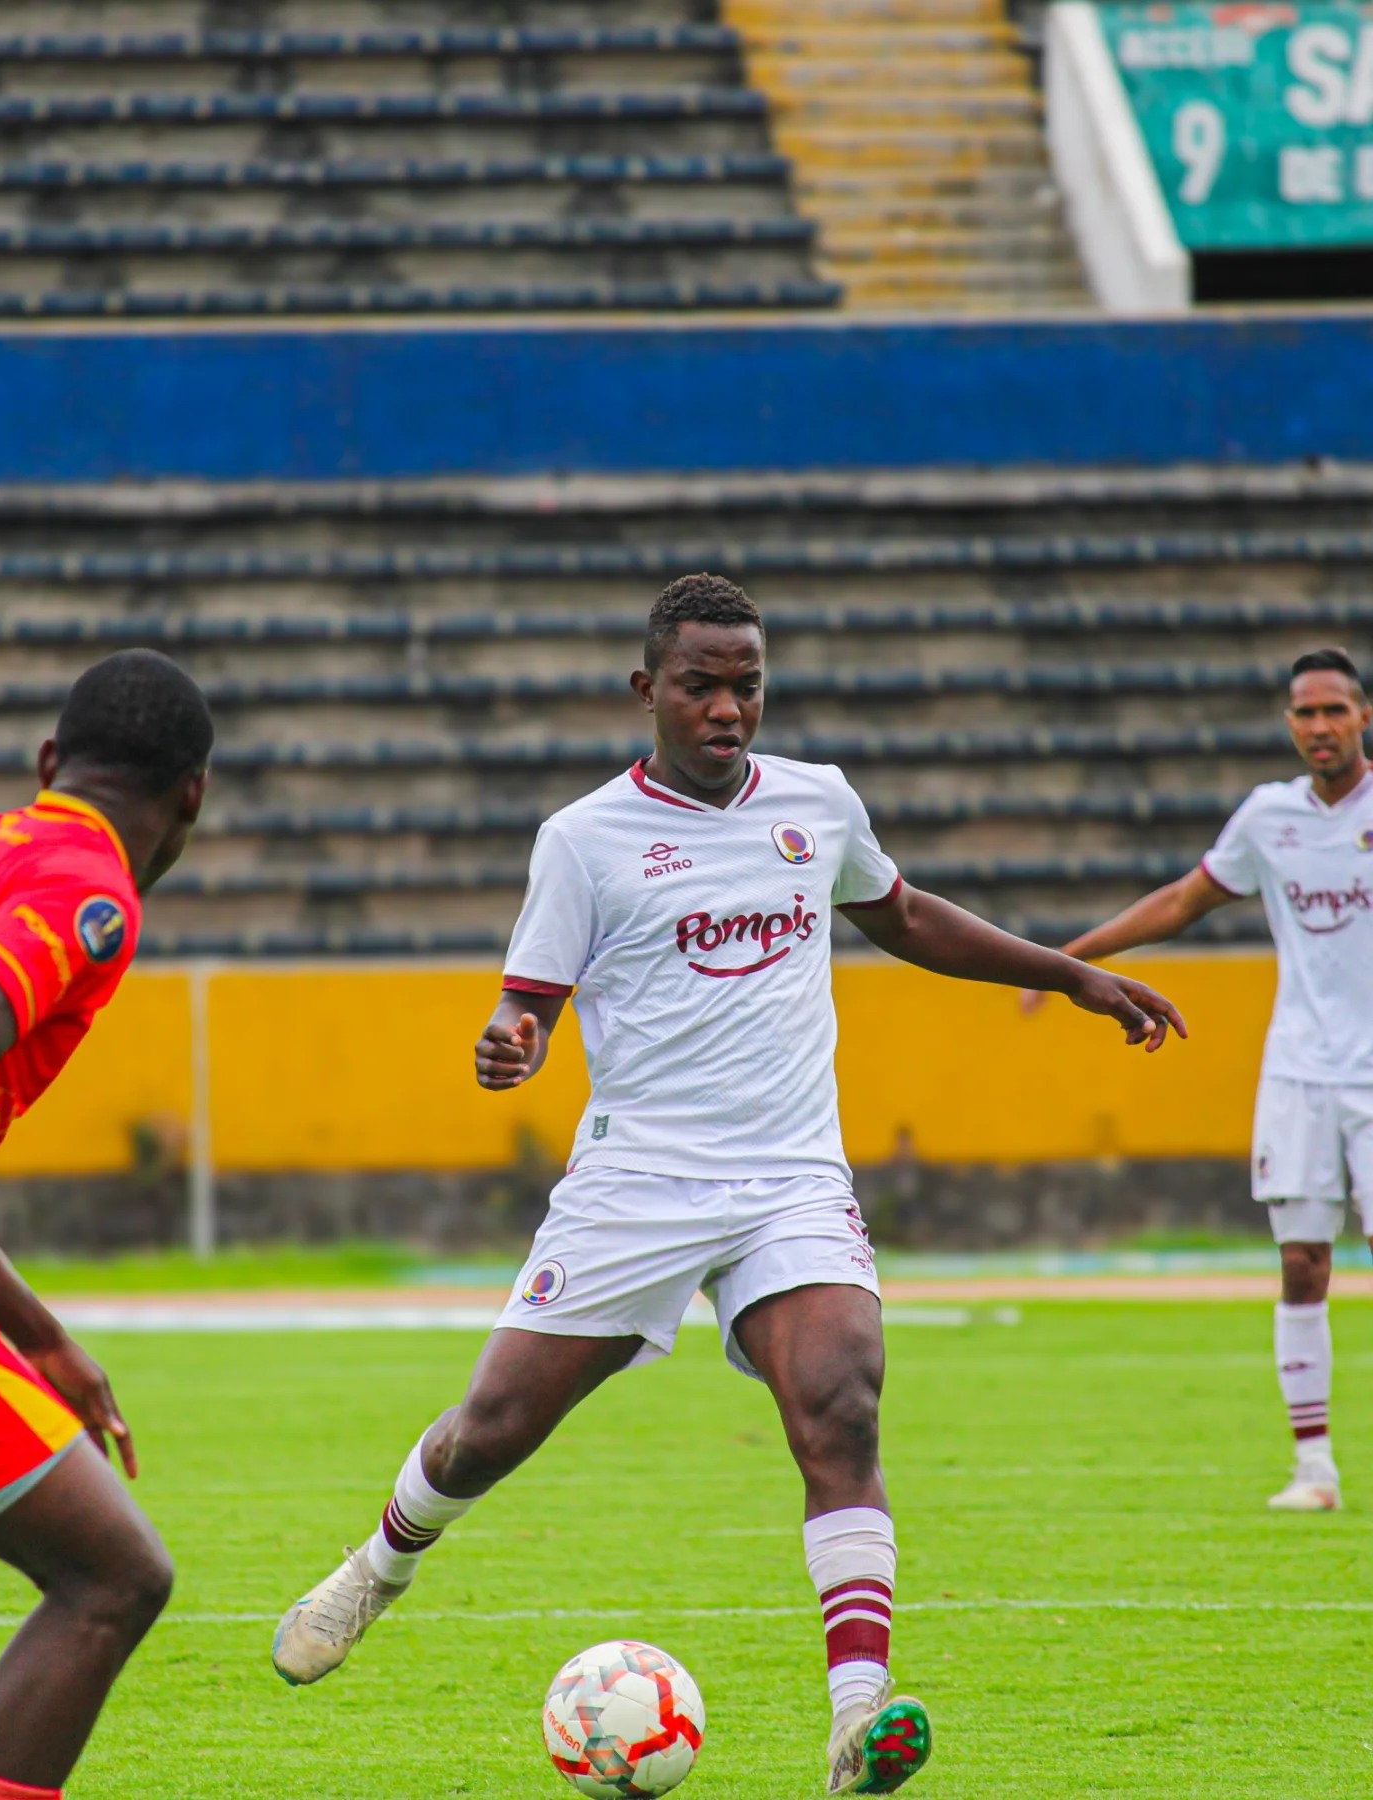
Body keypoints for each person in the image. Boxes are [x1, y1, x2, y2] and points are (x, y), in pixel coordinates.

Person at [273, 574, 1184, 1795]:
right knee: (491, 1432)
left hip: (791, 1176)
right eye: (701, 684)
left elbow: (902, 915)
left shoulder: (819, 803)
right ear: (647, 689)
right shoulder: (584, 839)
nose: (727, 707)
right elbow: (526, 1007)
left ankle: (857, 1721)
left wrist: (1069, 974)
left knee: (843, 1406)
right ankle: (377, 1568)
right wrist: (512, 1044)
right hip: (637, 1183)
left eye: (746, 683)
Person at [0, 649, 211, 1800]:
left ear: (51, 760)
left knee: (112, 1572)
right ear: (190, 798)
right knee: (111, 1578)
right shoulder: (88, 885)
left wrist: (33, 1329)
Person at [1020, 645, 1373, 1514]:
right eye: (1304, 712)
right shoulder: (1269, 818)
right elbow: (1182, 900)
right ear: (1289, 724)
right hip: (1297, 1070)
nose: (1319, 726)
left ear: (1364, 716)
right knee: (1300, 1262)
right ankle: (1315, 1469)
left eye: (1335, 709)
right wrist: (1066, 961)